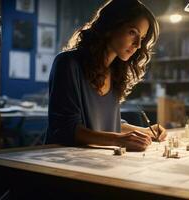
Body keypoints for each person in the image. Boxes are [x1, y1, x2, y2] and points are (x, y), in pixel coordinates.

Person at [46, 0, 167, 151]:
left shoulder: (116, 72)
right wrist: (119, 140)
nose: (137, 45)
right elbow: (65, 129)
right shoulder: (67, 63)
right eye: (132, 32)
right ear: (111, 26)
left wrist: (145, 131)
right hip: (61, 162)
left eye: (141, 38)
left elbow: (109, 124)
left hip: (95, 160)